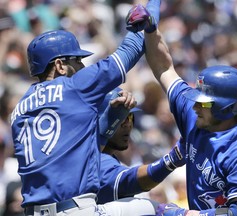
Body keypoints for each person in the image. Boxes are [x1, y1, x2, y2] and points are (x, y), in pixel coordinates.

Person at [9, 4, 162, 214]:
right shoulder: (74, 87)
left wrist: (111, 120)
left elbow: (68, 155)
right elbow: (130, 51)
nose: (82, 66)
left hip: (34, 211)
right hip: (74, 210)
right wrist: (151, 9)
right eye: (77, 60)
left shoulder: (19, 108)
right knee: (150, 207)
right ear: (60, 65)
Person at [125, 4, 237, 216]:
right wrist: (150, 30)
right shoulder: (196, 115)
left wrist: (184, 215)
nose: (195, 105)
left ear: (227, 109)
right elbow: (164, 68)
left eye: (204, 102)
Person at [97, 87, 186, 204]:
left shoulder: (109, 157)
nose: (128, 124)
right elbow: (131, 180)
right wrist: (171, 160)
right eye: (121, 117)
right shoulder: (92, 159)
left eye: (130, 117)